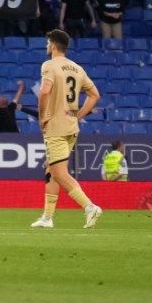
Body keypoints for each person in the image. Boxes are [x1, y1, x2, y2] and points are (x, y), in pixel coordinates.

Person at [32, 28, 101, 229]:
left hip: (55, 126)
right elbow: (95, 95)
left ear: (53, 45)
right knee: (51, 168)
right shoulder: (77, 68)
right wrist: (78, 115)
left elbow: (44, 92)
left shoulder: (49, 65)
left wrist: (42, 116)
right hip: (71, 126)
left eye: (47, 43)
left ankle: (89, 207)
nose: (47, 46)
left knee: (59, 173)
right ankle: (47, 217)